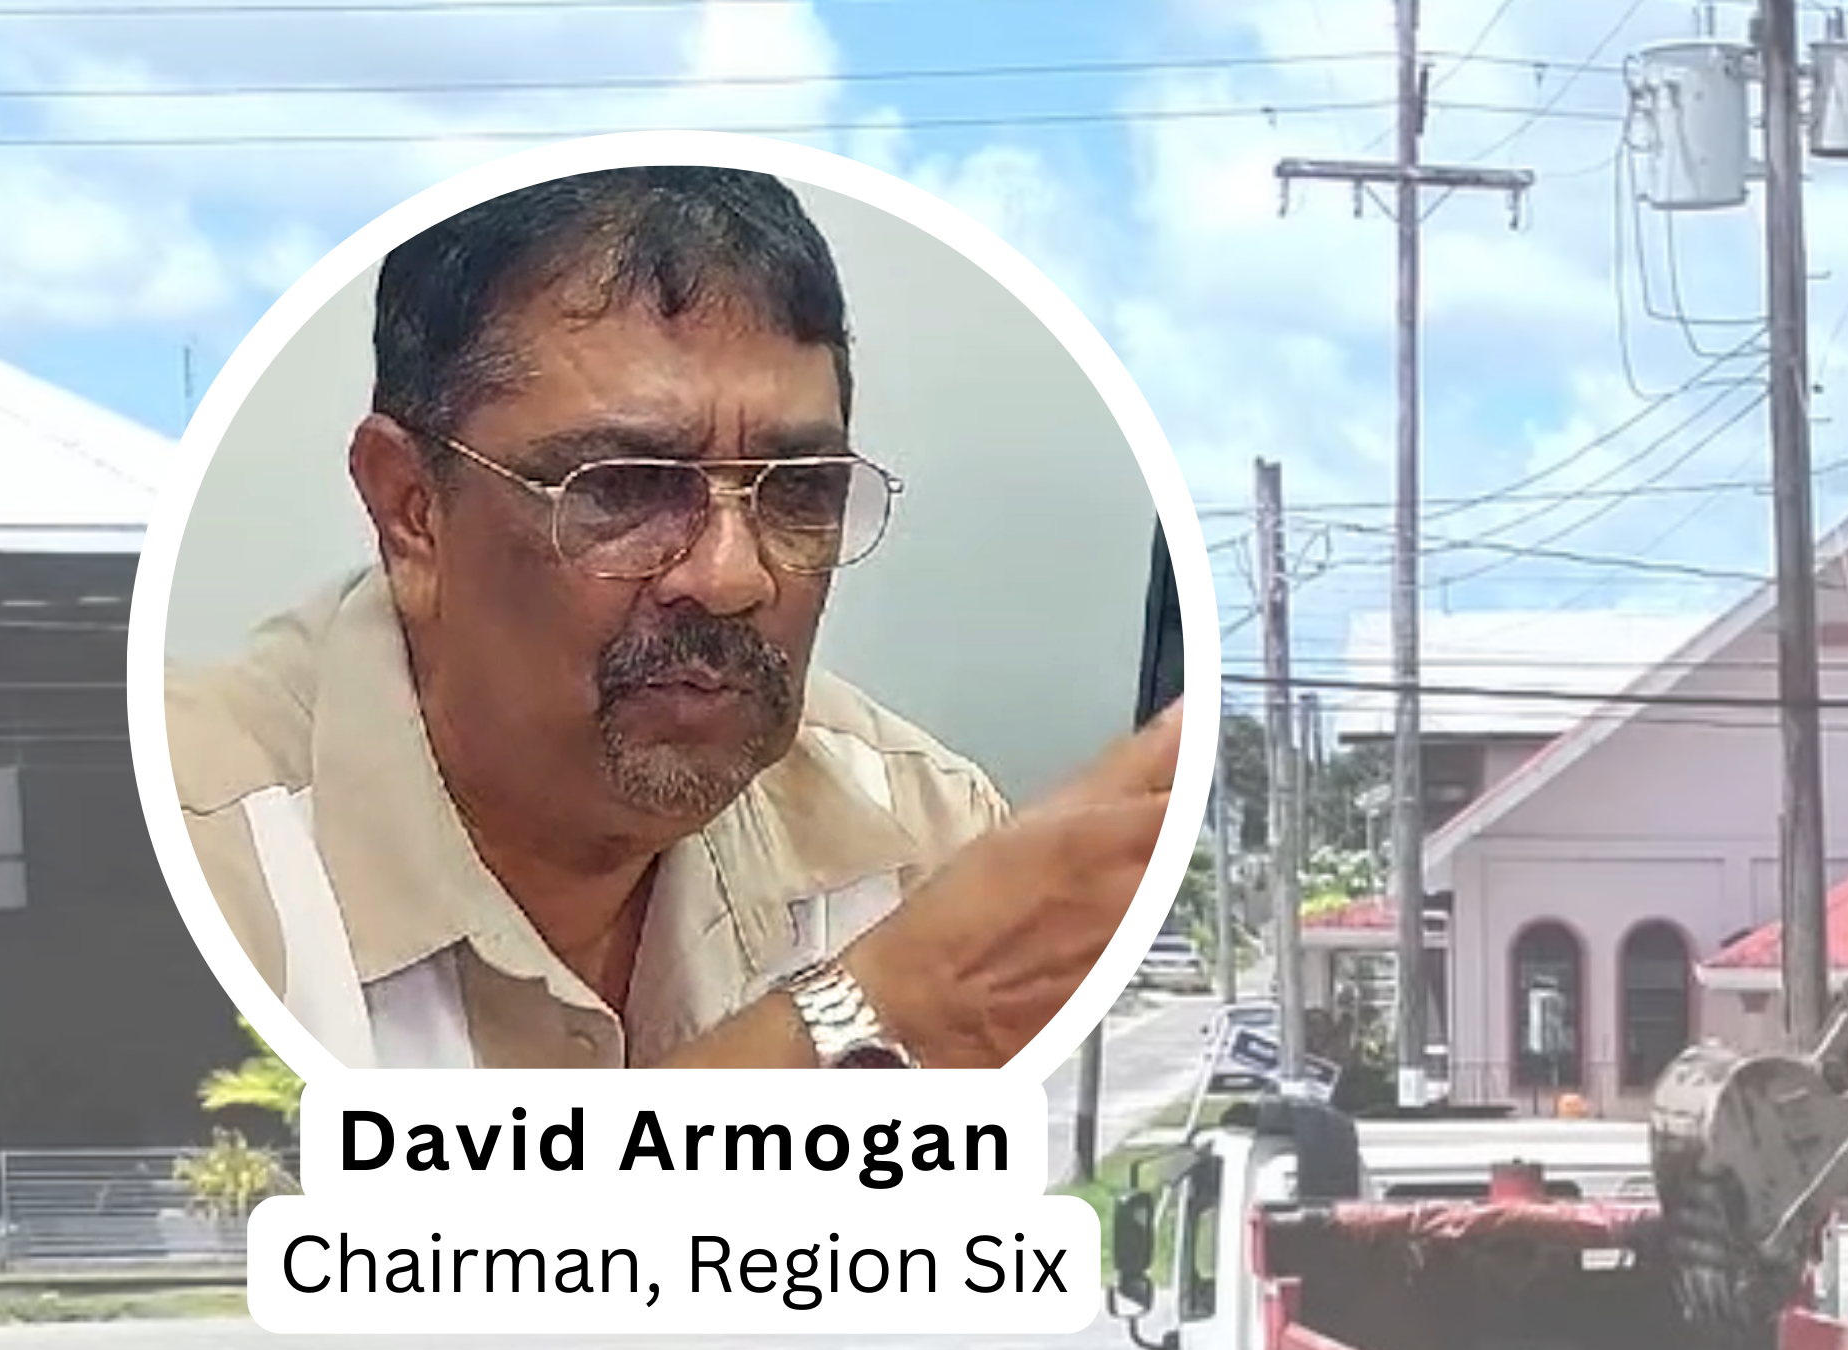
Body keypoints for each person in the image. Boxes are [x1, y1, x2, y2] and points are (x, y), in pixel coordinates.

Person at [163, 164, 1175, 1072]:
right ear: (412, 511)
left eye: (798, 491)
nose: (733, 577)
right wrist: (861, 1019)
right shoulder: (183, 850)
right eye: (626, 488)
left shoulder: (920, 833)